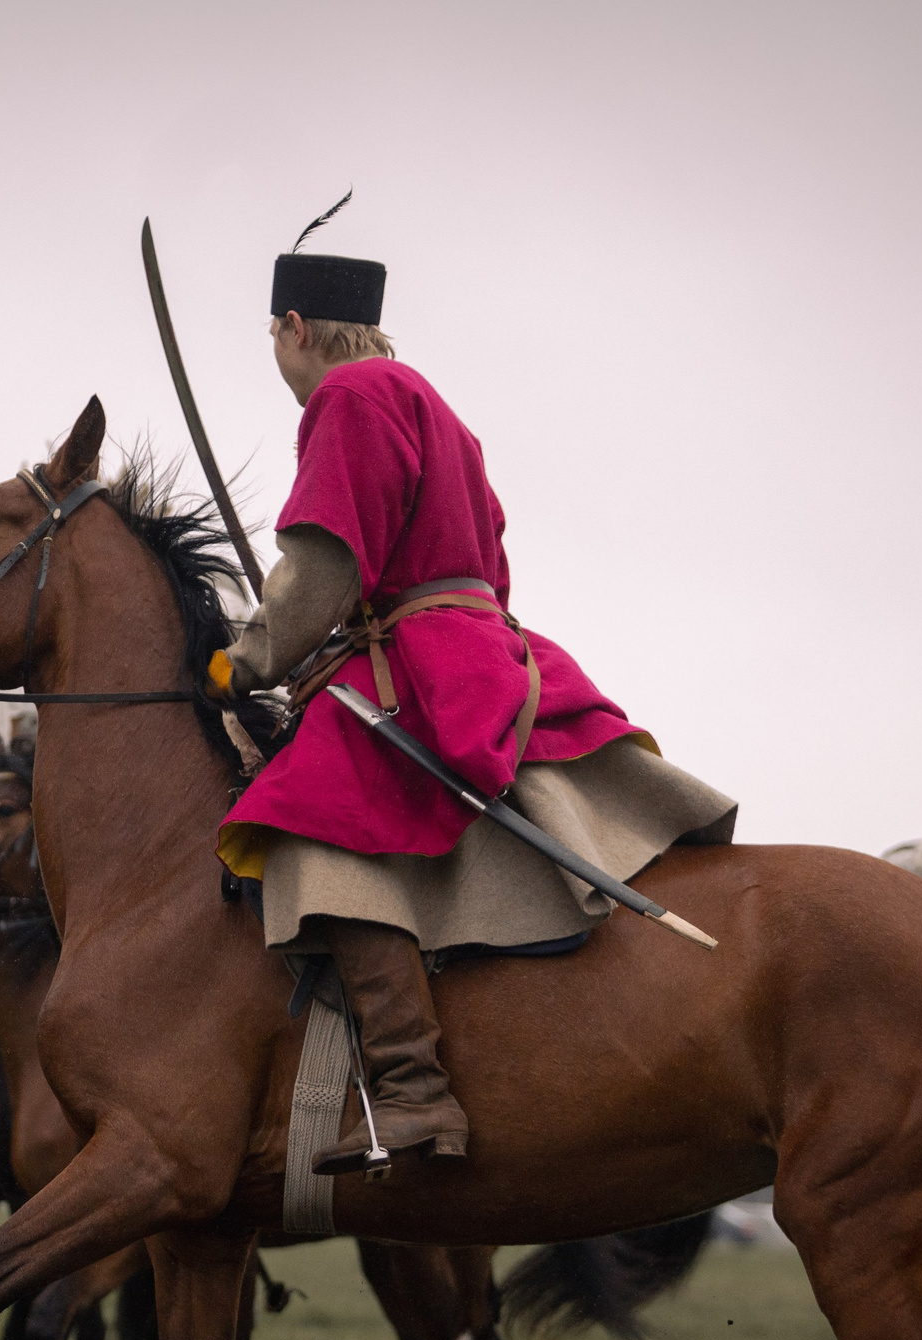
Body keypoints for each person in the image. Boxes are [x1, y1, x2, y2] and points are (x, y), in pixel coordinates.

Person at [207, 204, 736, 1175]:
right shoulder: (437, 407)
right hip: (481, 638)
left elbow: (321, 568)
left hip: (417, 653)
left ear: (292, 328)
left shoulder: (350, 394)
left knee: (314, 833)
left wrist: (241, 661)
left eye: (270, 340)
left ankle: (412, 1093)